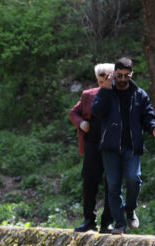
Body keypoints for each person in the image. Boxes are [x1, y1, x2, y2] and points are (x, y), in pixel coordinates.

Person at [92, 56, 155, 234]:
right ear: (114, 74)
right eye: (119, 75)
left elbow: (148, 116)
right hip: (110, 147)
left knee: (133, 179)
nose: (123, 79)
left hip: (131, 146)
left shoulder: (140, 94)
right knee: (114, 186)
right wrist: (106, 90)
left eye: (126, 76)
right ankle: (120, 224)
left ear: (131, 74)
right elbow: (97, 112)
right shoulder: (106, 90)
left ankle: (130, 208)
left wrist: (154, 126)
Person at [69, 63, 114, 233]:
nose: (105, 80)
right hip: (93, 142)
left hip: (112, 145)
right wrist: (81, 123)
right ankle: (89, 220)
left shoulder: (121, 95)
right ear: (98, 79)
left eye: (109, 77)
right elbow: (73, 112)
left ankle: (107, 223)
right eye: (102, 78)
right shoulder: (88, 95)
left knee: (112, 182)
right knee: (89, 180)